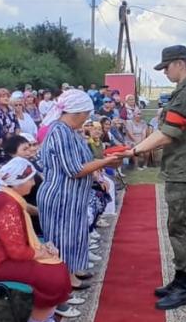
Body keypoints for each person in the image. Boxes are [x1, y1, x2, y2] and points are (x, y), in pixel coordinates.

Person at [127, 45, 186, 310]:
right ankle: (180, 279)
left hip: (183, 169)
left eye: (167, 67)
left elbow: (168, 134)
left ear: (180, 64)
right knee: (176, 224)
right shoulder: (184, 91)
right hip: (179, 167)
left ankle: (184, 286)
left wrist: (135, 149)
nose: (165, 73)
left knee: (180, 226)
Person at [0, 157, 74, 322]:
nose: (33, 182)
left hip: (3, 257)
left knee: (57, 264)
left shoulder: (8, 197)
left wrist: (44, 250)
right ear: (17, 183)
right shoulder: (6, 204)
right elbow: (18, 251)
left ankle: (45, 319)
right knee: (52, 274)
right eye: (29, 179)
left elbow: (20, 242)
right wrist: (43, 252)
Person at [37, 90, 123, 289]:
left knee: (76, 234)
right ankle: (66, 279)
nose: (86, 120)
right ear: (76, 112)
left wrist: (106, 162)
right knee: (63, 238)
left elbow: (86, 161)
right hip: (60, 195)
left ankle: (74, 269)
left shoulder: (71, 132)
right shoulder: (59, 131)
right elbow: (74, 170)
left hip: (73, 195)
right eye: (85, 115)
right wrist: (105, 161)